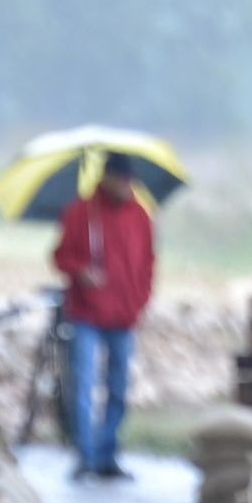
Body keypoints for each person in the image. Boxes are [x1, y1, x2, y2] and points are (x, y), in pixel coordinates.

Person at [50, 176, 155, 480]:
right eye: (121, 181)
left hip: (124, 316)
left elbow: (148, 262)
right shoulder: (80, 213)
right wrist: (81, 272)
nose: (126, 187)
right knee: (84, 385)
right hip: (86, 314)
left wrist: (140, 301)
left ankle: (107, 452)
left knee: (119, 387)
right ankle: (86, 455)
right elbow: (60, 257)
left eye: (129, 182)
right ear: (107, 178)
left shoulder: (140, 216)